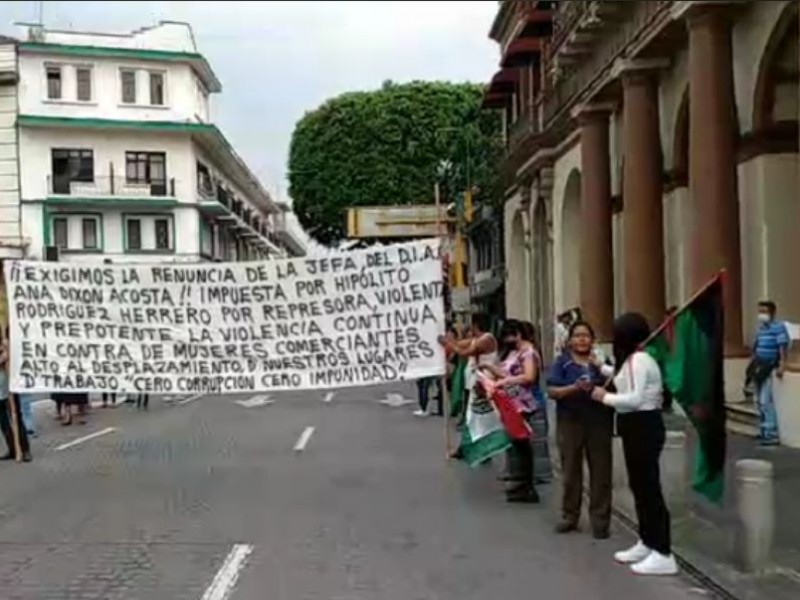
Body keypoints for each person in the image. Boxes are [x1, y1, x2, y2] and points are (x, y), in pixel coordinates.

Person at [591, 312, 678, 576]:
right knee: (639, 487)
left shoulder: (641, 359)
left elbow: (636, 398)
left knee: (649, 489)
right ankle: (647, 541)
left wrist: (604, 398)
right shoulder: (631, 360)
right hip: (633, 425)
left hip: (644, 424)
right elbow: (620, 378)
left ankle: (663, 551)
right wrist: (601, 367)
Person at [547, 320, 613, 539]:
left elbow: (615, 382)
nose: (582, 339)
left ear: (592, 340)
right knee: (571, 470)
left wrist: (600, 381)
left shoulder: (601, 360)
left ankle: (600, 521)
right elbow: (552, 391)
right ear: (570, 340)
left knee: (601, 471)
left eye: (586, 335)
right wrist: (574, 388)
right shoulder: (561, 362)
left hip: (598, 419)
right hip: (570, 419)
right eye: (577, 336)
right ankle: (570, 516)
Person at [483, 319, 540, 503]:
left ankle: (528, 486)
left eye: (509, 335)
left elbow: (529, 376)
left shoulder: (528, 353)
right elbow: (507, 373)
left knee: (523, 445)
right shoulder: (515, 352)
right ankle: (522, 484)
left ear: (518, 334)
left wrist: (506, 381)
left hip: (523, 403)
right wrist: (489, 370)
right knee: (517, 445)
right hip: (512, 402)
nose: (507, 340)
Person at [749, 300, 790, 446]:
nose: (761, 314)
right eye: (760, 311)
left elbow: (782, 347)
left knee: (766, 401)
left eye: (764, 311)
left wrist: (782, 365)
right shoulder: (760, 328)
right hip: (758, 366)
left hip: (769, 367)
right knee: (758, 401)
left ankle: (771, 433)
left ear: (772, 312)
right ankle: (763, 431)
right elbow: (756, 346)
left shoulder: (778, 327)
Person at [0, 337, 32, 462]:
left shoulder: (6, 343)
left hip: (9, 386)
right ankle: (12, 448)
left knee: (16, 417)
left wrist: (8, 353)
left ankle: (25, 449)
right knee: (3, 421)